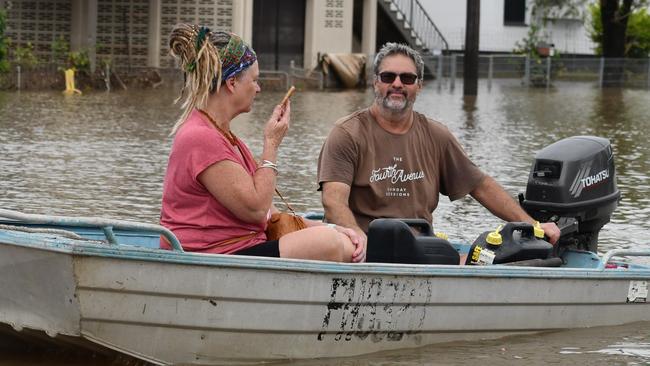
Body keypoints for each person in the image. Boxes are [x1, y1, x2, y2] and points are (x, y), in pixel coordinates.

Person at [317, 42, 561, 257]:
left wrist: (534, 226)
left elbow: (480, 186)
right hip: (359, 250)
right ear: (375, 82)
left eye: (407, 78)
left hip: (419, 248)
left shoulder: (436, 135)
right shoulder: (347, 133)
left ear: (419, 86)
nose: (397, 84)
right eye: (388, 77)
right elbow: (333, 202)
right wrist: (363, 245)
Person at [160, 24, 365, 262]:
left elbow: (270, 214)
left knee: (339, 237)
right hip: (213, 256)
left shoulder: (223, 135)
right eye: (254, 80)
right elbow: (256, 210)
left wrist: (332, 227)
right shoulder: (200, 137)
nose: (258, 89)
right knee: (332, 244)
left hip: (239, 249)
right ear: (232, 83)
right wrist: (271, 144)